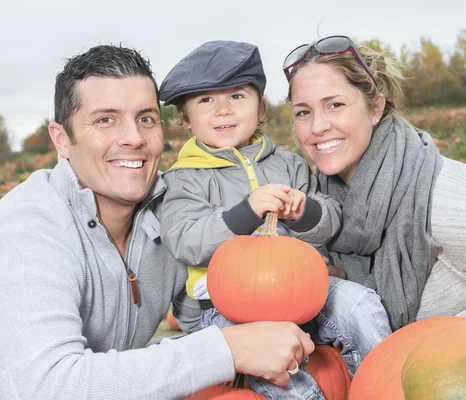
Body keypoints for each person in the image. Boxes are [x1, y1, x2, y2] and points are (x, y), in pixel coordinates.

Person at [0, 44, 317, 400]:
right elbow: (43, 388)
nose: (133, 139)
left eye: (146, 119)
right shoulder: (25, 233)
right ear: (62, 139)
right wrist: (228, 349)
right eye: (105, 120)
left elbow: (203, 319)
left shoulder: (172, 214)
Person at [158, 40, 391, 399]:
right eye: (206, 101)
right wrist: (244, 212)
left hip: (300, 289)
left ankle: (382, 387)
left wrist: (304, 212)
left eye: (237, 96)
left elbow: (330, 221)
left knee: (359, 304)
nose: (223, 110)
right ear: (186, 119)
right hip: (227, 307)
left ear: (260, 107)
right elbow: (186, 241)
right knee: (273, 360)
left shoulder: (289, 165)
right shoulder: (184, 178)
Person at [282, 35, 466, 332]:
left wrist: (454, 335)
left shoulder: (457, 205)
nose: (318, 126)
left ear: (375, 108)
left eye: (335, 105)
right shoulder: (315, 207)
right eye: (303, 112)